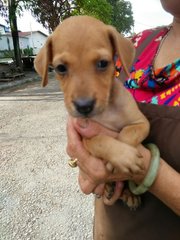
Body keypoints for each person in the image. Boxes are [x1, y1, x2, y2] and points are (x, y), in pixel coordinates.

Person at [66, 0, 180, 239]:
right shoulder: (134, 45)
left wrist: (146, 170)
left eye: (100, 64)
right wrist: (86, 159)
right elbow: (97, 123)